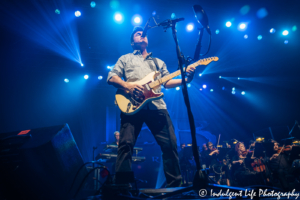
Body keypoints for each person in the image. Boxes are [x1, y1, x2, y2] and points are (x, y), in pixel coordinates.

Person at [107, 26, 196, 187]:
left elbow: (167, 83)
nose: (142, 36)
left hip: (156, 107)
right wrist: (128, 86)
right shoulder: (125, 58)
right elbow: (112, 77)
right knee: (125, 145)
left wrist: (186, 79)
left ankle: (174, 187)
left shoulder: (158, 62)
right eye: (138, 34)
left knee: (170, 145)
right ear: (132, 42)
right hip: (131, 106)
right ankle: (122, 187)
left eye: (144, 34)